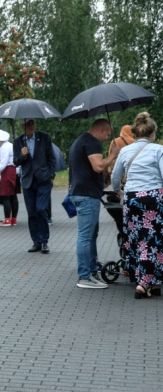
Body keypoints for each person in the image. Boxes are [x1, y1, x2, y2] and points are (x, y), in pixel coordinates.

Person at [111, 112, 163, 298]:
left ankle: (153, 283)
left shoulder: (125, 151)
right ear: (152, 133)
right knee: (154, 240)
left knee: (138, 238)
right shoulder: (158, 150)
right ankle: (144, 283)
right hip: (153, 198)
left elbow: (115, 178)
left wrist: (118, 190)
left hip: (132, 198)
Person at [68, 119, 119, 290]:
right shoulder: (92, 142)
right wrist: (112, 155)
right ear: (103, 129)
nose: (107, 138)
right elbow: (98, 166)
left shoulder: (81, 140)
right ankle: (85, 276)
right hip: (86, 195)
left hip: (83, 193)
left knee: (90, 235)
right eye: (107, 134)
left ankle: (91, 269)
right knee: (85, 235)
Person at [13, 120, 56, 254]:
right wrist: (22, 155)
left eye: (33, 124)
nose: (32, 126)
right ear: (23, 126)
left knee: (41, 209)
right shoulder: (18, 141)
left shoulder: (44, 137)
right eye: (28, 124)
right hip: (27, 181)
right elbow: (15, 162)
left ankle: (44, 241)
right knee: (31, 212)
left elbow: (51, 158)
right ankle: (36, 241)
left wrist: (51, 175)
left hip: (43, 179)